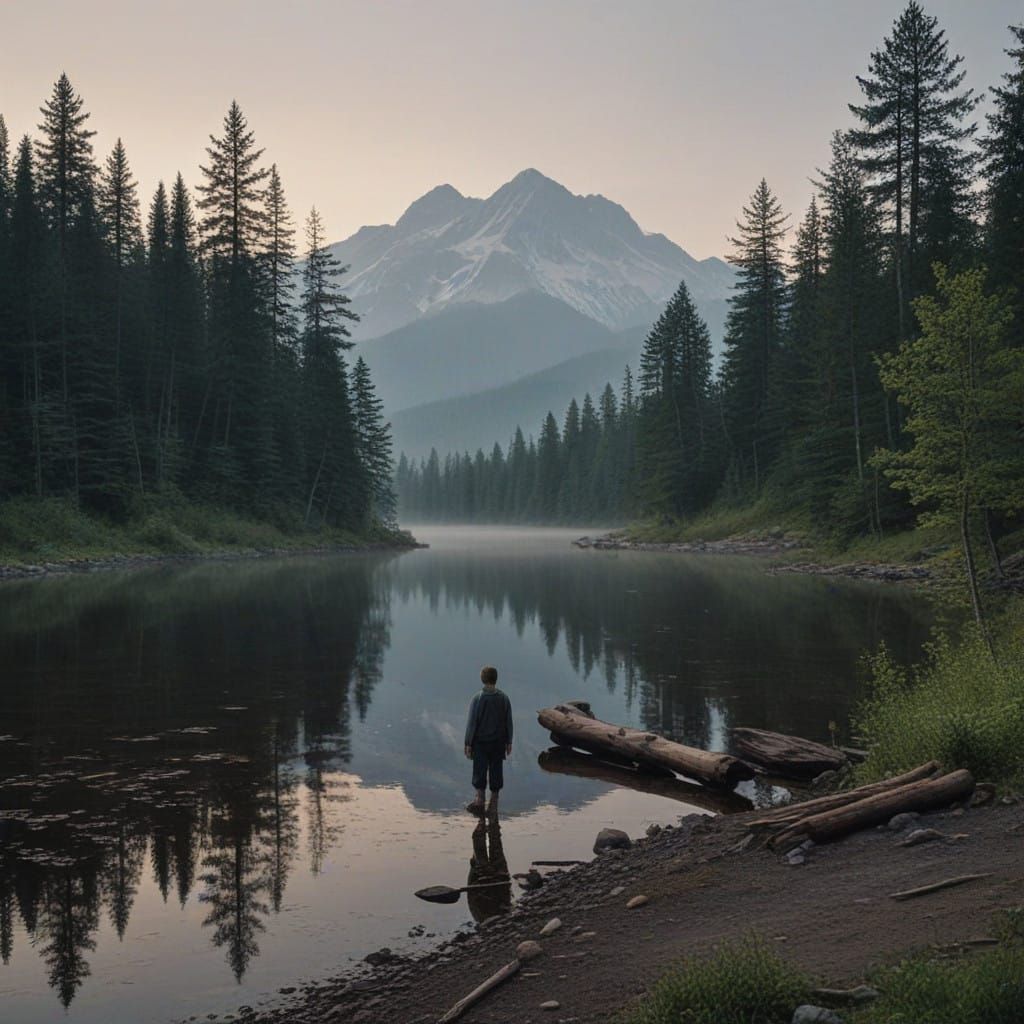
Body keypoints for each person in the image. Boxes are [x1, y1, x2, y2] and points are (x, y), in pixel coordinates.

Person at [463, 665, 513, 816]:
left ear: (482, 679)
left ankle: (479, 800)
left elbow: (472, 722)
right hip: (498, 742)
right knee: (496, 770)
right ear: (495, 679)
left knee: (480, 769)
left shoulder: (477, 698)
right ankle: (494, 803)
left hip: (480, 743)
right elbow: (508, 721)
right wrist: (509, 741)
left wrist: (468, 742)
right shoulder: (504, 698)